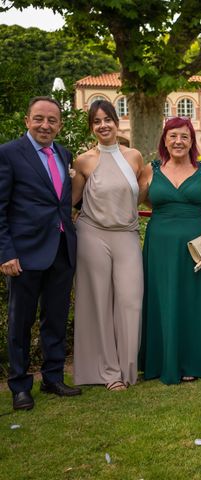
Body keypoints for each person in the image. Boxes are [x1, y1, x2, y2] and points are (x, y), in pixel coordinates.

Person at [0, 96, 81, 410]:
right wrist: (6, 253)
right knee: (20, 322)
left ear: (59, 124)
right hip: (24, 253)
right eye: (39, 119)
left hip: (61, 250)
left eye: (52, 120)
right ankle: (20, 386)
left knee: (56, 318)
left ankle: (53, 377)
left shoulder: (63, 153)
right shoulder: (8, 154)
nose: (45, 125)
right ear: (27, 120)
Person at [138, 117, 201, 385]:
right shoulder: (150, 170)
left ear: (192, 141)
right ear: (164, 139)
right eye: (173, 136)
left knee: (193, 301)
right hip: (160, 247)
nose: (178, 141)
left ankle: (194, 360)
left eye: (184, 137)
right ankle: (162, 360)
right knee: (163, 299)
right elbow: (128, 199)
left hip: (197, 246)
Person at [71, 100, 145, 391]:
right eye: (96, 121)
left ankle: (129, 369)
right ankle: (109, 373)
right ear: (92, 128)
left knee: (130, 300)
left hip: (127, 234)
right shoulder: (83, 161)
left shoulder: (134, 157)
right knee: (99, 302)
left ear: (117, 122)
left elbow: (137, 195)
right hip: (92, 235)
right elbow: (72, 203)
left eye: (107, 120)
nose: (103, 125)